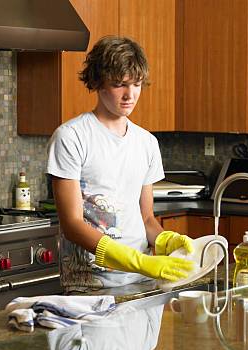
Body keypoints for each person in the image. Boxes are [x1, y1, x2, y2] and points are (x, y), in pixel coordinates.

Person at [47, 36, 195, 292]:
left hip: (142, 281)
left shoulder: (146, 142)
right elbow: (72, 225)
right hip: (90, 284)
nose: (130, 95)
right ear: (98, 82)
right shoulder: (71, 137)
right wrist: (138, 261)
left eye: (136, 84)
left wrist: (165, 240)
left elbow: (146, 218)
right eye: (119, 84)